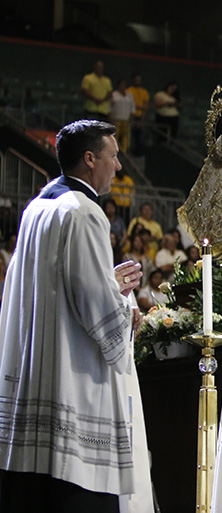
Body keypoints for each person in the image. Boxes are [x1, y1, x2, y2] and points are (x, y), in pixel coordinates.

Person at [0, 120, 147, 512]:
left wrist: (104, 281)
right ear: (89, 159)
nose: (118, 167)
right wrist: (124, 306)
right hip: (72, 383)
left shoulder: (40, 205)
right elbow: (94, 303)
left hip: (34, 376)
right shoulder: (85, 213)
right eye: (113, 157)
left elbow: (50, 283)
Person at [126, 73, 150, 156]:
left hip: (140, 117)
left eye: (139, 80)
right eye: (136, 80)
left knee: (140, 137)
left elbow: (146, 107)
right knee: (130, 137)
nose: (138, 81)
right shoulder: (129, 91)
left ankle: (138, 154)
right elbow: (129, 105)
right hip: (131, 116)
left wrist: (142, 119)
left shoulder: (144, 92)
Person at [110, 79, 136, 154]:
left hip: (126, 121)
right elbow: (109, 108)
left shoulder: (129, 96)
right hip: (116, 120)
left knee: (125, 138)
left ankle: (125, 153)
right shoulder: (114, 94)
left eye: (124, 85)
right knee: (115, 138)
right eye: (121, 85)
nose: (123, 87)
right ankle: (114, 153)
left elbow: (132, 108)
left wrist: (131, 119)